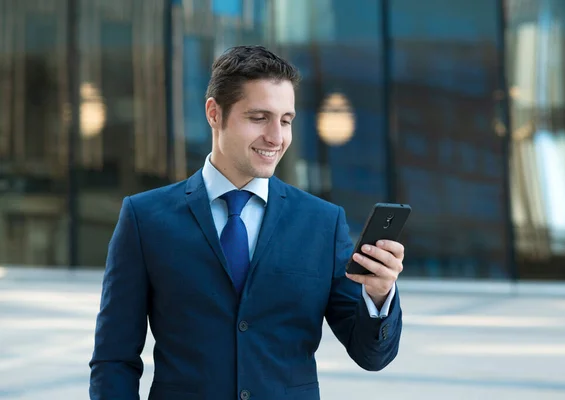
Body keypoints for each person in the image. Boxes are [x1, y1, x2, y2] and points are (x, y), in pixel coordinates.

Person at [89, 45, 405, 400]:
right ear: (214, 113)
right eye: (259, 118)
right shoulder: (145, 217)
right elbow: (114, 359)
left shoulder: (322, 223)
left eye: (286, 120)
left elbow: (370, 356)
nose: (277, 137)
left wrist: (378, 296)